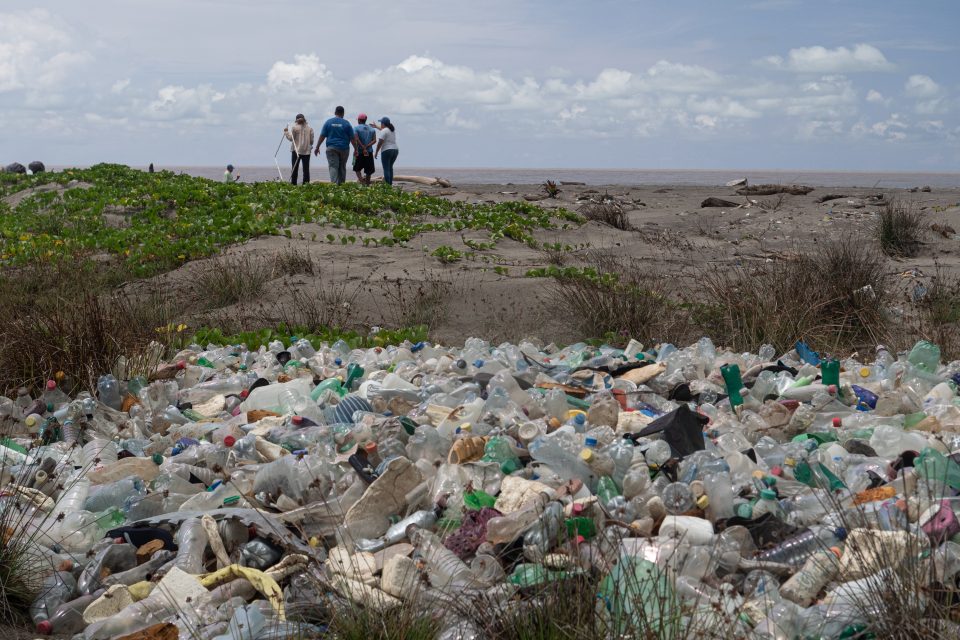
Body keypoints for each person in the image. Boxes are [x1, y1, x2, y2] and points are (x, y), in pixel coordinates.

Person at [314, 106, 359, 185]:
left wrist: (317, 147)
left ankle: (334, 186)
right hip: (344, 149)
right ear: (343, 114)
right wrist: (356, 149)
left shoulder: (328, 122)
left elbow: (322, 136)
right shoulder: (346, 123)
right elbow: (352, 138)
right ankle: (341, 186)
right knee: (342, 167)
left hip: (331, 148)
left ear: (335, 113)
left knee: (333, 167)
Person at [284, 114, 314, 185]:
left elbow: (291, 139)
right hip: (306, 151)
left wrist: (286, 132)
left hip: (296, 150)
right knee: (306, 170)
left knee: (294, 169)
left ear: (296, 120)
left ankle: (293, 184)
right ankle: (306, 186)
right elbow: (311, 141)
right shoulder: (310, 129)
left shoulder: (294, 128)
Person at [373, 116, 399, 186]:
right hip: (395, 150)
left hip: (387, 150)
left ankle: (388, 185)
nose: (380, 124)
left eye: (381, 123)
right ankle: (390, 184)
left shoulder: (384, 131)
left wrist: (376, 152)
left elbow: (380, 142)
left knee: (386, 169)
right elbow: (383, 130)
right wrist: (376, 126)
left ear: (383, 124)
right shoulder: (392, 130)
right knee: (390, 168)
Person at [352, 113, 377, 186]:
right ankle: (367, 184)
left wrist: (362, 147)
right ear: (365, 120)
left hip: (359, 152)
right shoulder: (372, 129)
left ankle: (362, 183)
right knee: (368, 170)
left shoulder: (356, 128)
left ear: (359, 120)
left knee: (357, 169)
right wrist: (366, 146)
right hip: (369, 152)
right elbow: (374, 140)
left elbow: (356, 139)